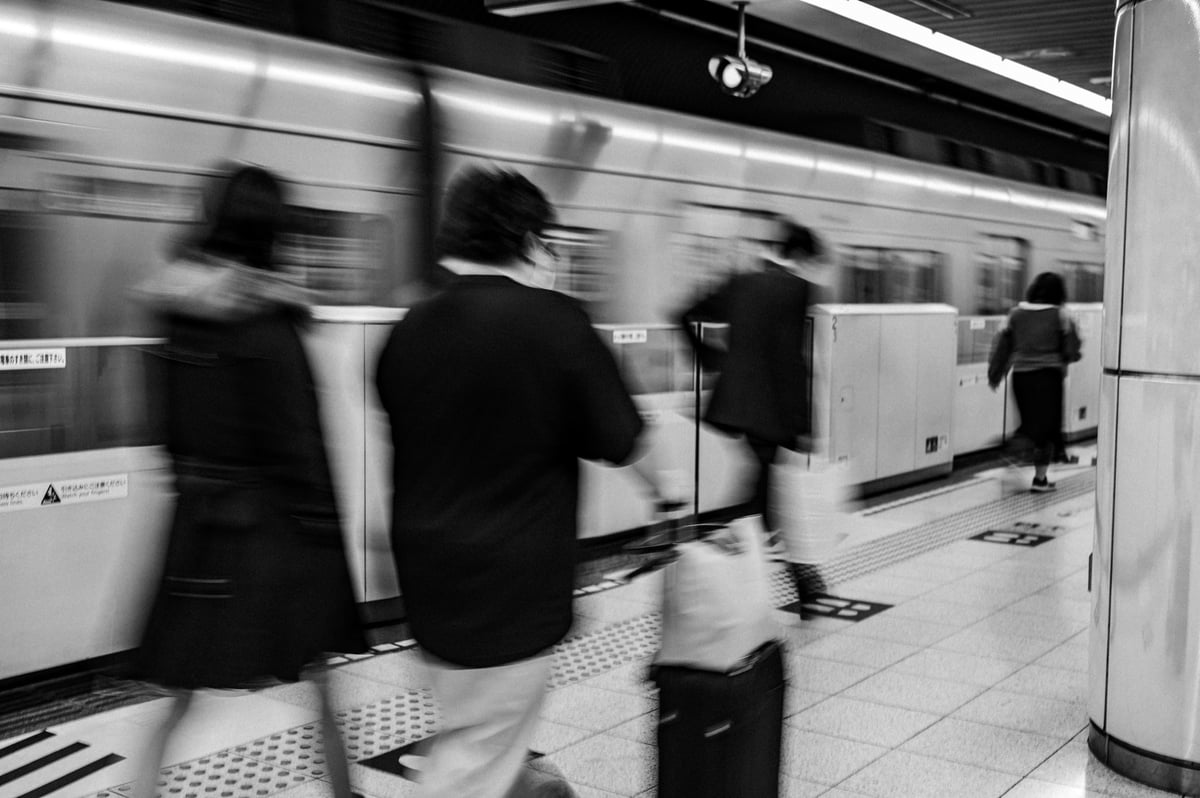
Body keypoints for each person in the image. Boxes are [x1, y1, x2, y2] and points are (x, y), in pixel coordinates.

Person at [374, 165, 646, 798]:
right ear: (526, 240)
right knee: (472, 759)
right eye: (548, 243)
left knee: (477, 732)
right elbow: (621, 438)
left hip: (429, 577)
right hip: (513, 581)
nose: (550, 257)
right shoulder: (555, 321)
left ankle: (521, 785)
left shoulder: (407, 328)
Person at [132, 164, 366, 798]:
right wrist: (325, 528)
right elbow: (296, 439)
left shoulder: (176, 311)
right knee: (316, 672)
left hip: (202, 526)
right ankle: (345, 793)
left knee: (183, 687)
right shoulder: (269, 322)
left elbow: (165, 430)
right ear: (273, 232)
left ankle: (144, 790)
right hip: (275, 534)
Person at [675, 219, 829, 597]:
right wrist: (804, 424)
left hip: (739, 407)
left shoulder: (740, 282)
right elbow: (790, 361)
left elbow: (682, 314)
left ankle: (789, 576)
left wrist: (712, 359)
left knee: (761, 488)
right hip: (774, 411)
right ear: (802, 256)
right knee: (763, 492)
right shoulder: (799, 291)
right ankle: (790, 576)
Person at [988, 271, 1082, 493]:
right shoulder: (1061, 316)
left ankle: (1016, 451)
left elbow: (1002, 348)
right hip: (1049, 379)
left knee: (1030, 425)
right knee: (1047, 431)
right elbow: (1072, 350)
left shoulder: (1015, 314)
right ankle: (1038, 477)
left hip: (1021, 379)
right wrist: (1065, 354)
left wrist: (995, 374)